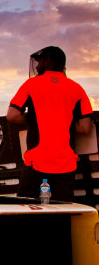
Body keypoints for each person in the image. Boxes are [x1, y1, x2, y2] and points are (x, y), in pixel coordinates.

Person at [7, 46, 92, 202]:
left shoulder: (31, 85)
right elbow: (85, 128)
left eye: (40, 62)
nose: (37, 66)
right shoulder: (77, 89)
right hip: (66, 162)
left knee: (25, 206)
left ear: (49, 62)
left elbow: (12, 116)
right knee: (63, 209)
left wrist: (33, 118)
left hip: (37, 160)